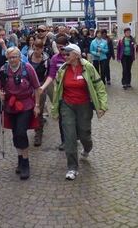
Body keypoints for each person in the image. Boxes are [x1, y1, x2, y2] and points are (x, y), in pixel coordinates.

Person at [51, 44, 108, 180]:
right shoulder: (62, 70)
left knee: (84, 134)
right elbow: (56, 91)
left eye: (67, 54)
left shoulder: (88, 67)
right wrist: (55, 110)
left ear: (76, 54)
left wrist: (102, 105)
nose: (64, 56)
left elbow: (99, 85)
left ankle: (87, 148)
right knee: (69, 136)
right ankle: (72, 167)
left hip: (84, 106)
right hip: (67, 105)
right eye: (64, 54)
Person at [0, 47, 41, 180]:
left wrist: (37, 105)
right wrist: (0, 95)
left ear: (19, 57)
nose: (12, 60)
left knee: (21, 132)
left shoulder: (27, 68)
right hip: (10, 106)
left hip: (26, 104)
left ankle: (26, 163)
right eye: (10, 57)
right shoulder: (3, 69)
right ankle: (20, 159)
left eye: (14, 57)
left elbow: (37, 88)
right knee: (15, 134)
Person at [39, 35, 69, 151]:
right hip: (61, 92)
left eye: (62, 48)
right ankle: (64, 141)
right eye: (58, 47)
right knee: (62, 117)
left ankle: (74, 136)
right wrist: (43, 87)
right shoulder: (55, 59)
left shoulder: (74, 57)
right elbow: (51, 75)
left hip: (74, 92)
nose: (60, 50)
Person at [27, 39, 49, 147]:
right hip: (29, 87)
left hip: (40, 87)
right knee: (29, 110)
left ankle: (38, 135)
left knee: (38, 111)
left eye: (39, 49)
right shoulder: (29, 58)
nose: (36, 51)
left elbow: (48, 75)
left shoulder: (46, 60)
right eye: (35, 49)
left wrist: (44, 87)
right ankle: (32, 127)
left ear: (42, 49)